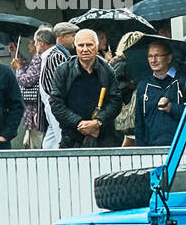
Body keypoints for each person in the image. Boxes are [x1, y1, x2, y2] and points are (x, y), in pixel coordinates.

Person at [49, 29, 122, 148]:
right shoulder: (64, 70)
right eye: (81, 45)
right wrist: (79, 123)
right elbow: (56, 103)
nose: (85, 49)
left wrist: (97, 122)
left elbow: (116, 101)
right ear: (75, 47)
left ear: (97, 46)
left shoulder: (107, 70)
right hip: (72, 139)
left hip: (104, 137)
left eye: (89, 45)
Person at [133, 40, 186, 148]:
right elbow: (139, 122)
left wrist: (172, 107)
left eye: (157, 56)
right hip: (152, 147)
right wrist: (141, 149)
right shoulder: (143, 85)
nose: (153, 60)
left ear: (169, 58)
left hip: (179, 147)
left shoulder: (183, 81)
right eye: (150, 56)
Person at [39, 22, 76, 150]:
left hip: (53, 105)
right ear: (62, 36)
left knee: (50, 141)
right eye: (72, 35)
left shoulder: (60, 54)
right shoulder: (57, 56)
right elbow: (56, 84)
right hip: (57, 105)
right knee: (63, 139)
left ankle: (45, 164)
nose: (75, 39)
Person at [110, 31, 147, 142]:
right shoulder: (123, 64)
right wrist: (131, 85)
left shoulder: (118, 63)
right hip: (127, 120)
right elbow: (119, 89)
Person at [14, 32, 46, 150]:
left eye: (31, 44)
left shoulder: (39, 58)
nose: (29, 47)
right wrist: (18, 55)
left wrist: (18, 69)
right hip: (33, 109)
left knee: (36, 142)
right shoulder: (37, 58)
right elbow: (29, 68)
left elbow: (27, 80)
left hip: (34, 109)